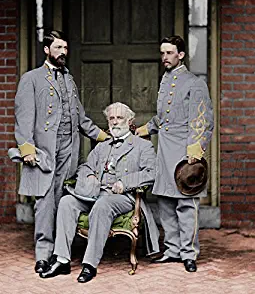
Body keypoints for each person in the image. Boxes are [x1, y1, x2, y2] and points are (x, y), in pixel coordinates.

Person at [14, 30, 108, 274]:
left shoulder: (69, 79)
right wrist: (26, 148)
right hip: (45, 150)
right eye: (58, 48)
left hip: (69, 148)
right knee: (45, 202)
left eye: (65, 48)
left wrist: (103, 136)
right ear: (47, 50)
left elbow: (81, 118)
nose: (63, 52)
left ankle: (60, 254)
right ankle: (43, 255)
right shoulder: (32, 79)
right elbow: (23, 117)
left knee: (64, 199)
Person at [40, 102, 159, 282]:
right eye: (112, 118)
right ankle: (62, 260)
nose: (115, 122)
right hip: (95, 193)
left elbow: (151, 173)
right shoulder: (101, 146)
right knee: (66, 202)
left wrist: (125, 182)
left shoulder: (142, 146)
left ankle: (89, 264)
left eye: (120, 118)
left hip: (123, 196)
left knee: (103, 205)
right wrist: (88, 175)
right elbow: (86, 166)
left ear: (130, 121)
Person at [136, 35, 214, 272]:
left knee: (186, 203)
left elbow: (202, 119)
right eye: (162, 53)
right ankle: (172, 250)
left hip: (184, 151)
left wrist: (195, 149)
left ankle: (189, 253)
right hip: (165, 149)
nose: (164, 58)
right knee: (166, 202)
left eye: (169, 53)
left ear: (180, 55)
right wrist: (144, 129)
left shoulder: (194, 83)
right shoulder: (165, 80)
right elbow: (163, 118)